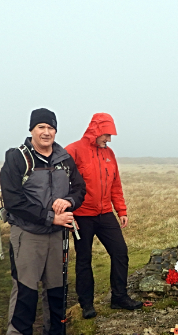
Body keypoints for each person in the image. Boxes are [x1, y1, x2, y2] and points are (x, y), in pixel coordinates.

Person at [0, 108, 87, 335]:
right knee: (26, 292)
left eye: (50, 127)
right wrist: (51, 217)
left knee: (57, 291)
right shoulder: (17, 159)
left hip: (58, 235)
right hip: (28, 234)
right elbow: (14, 200)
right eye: (40, 127)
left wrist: (69, 201)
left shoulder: (64, 159)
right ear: (31, 130)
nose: (46, 132)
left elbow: (79, 189)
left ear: (56, 131)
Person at [65, 113, 142, 317]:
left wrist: (121, 210)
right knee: (84, 259)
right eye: (106, 134)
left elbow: (115, 184)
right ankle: (86, 305)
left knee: (120, 252)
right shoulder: (73, 151)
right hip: (81, 215)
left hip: (105, 213)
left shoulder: (110, 154)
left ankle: (119, 297)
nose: (108, 139)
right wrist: (67, 211)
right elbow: (60, 184)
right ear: (96, 130)